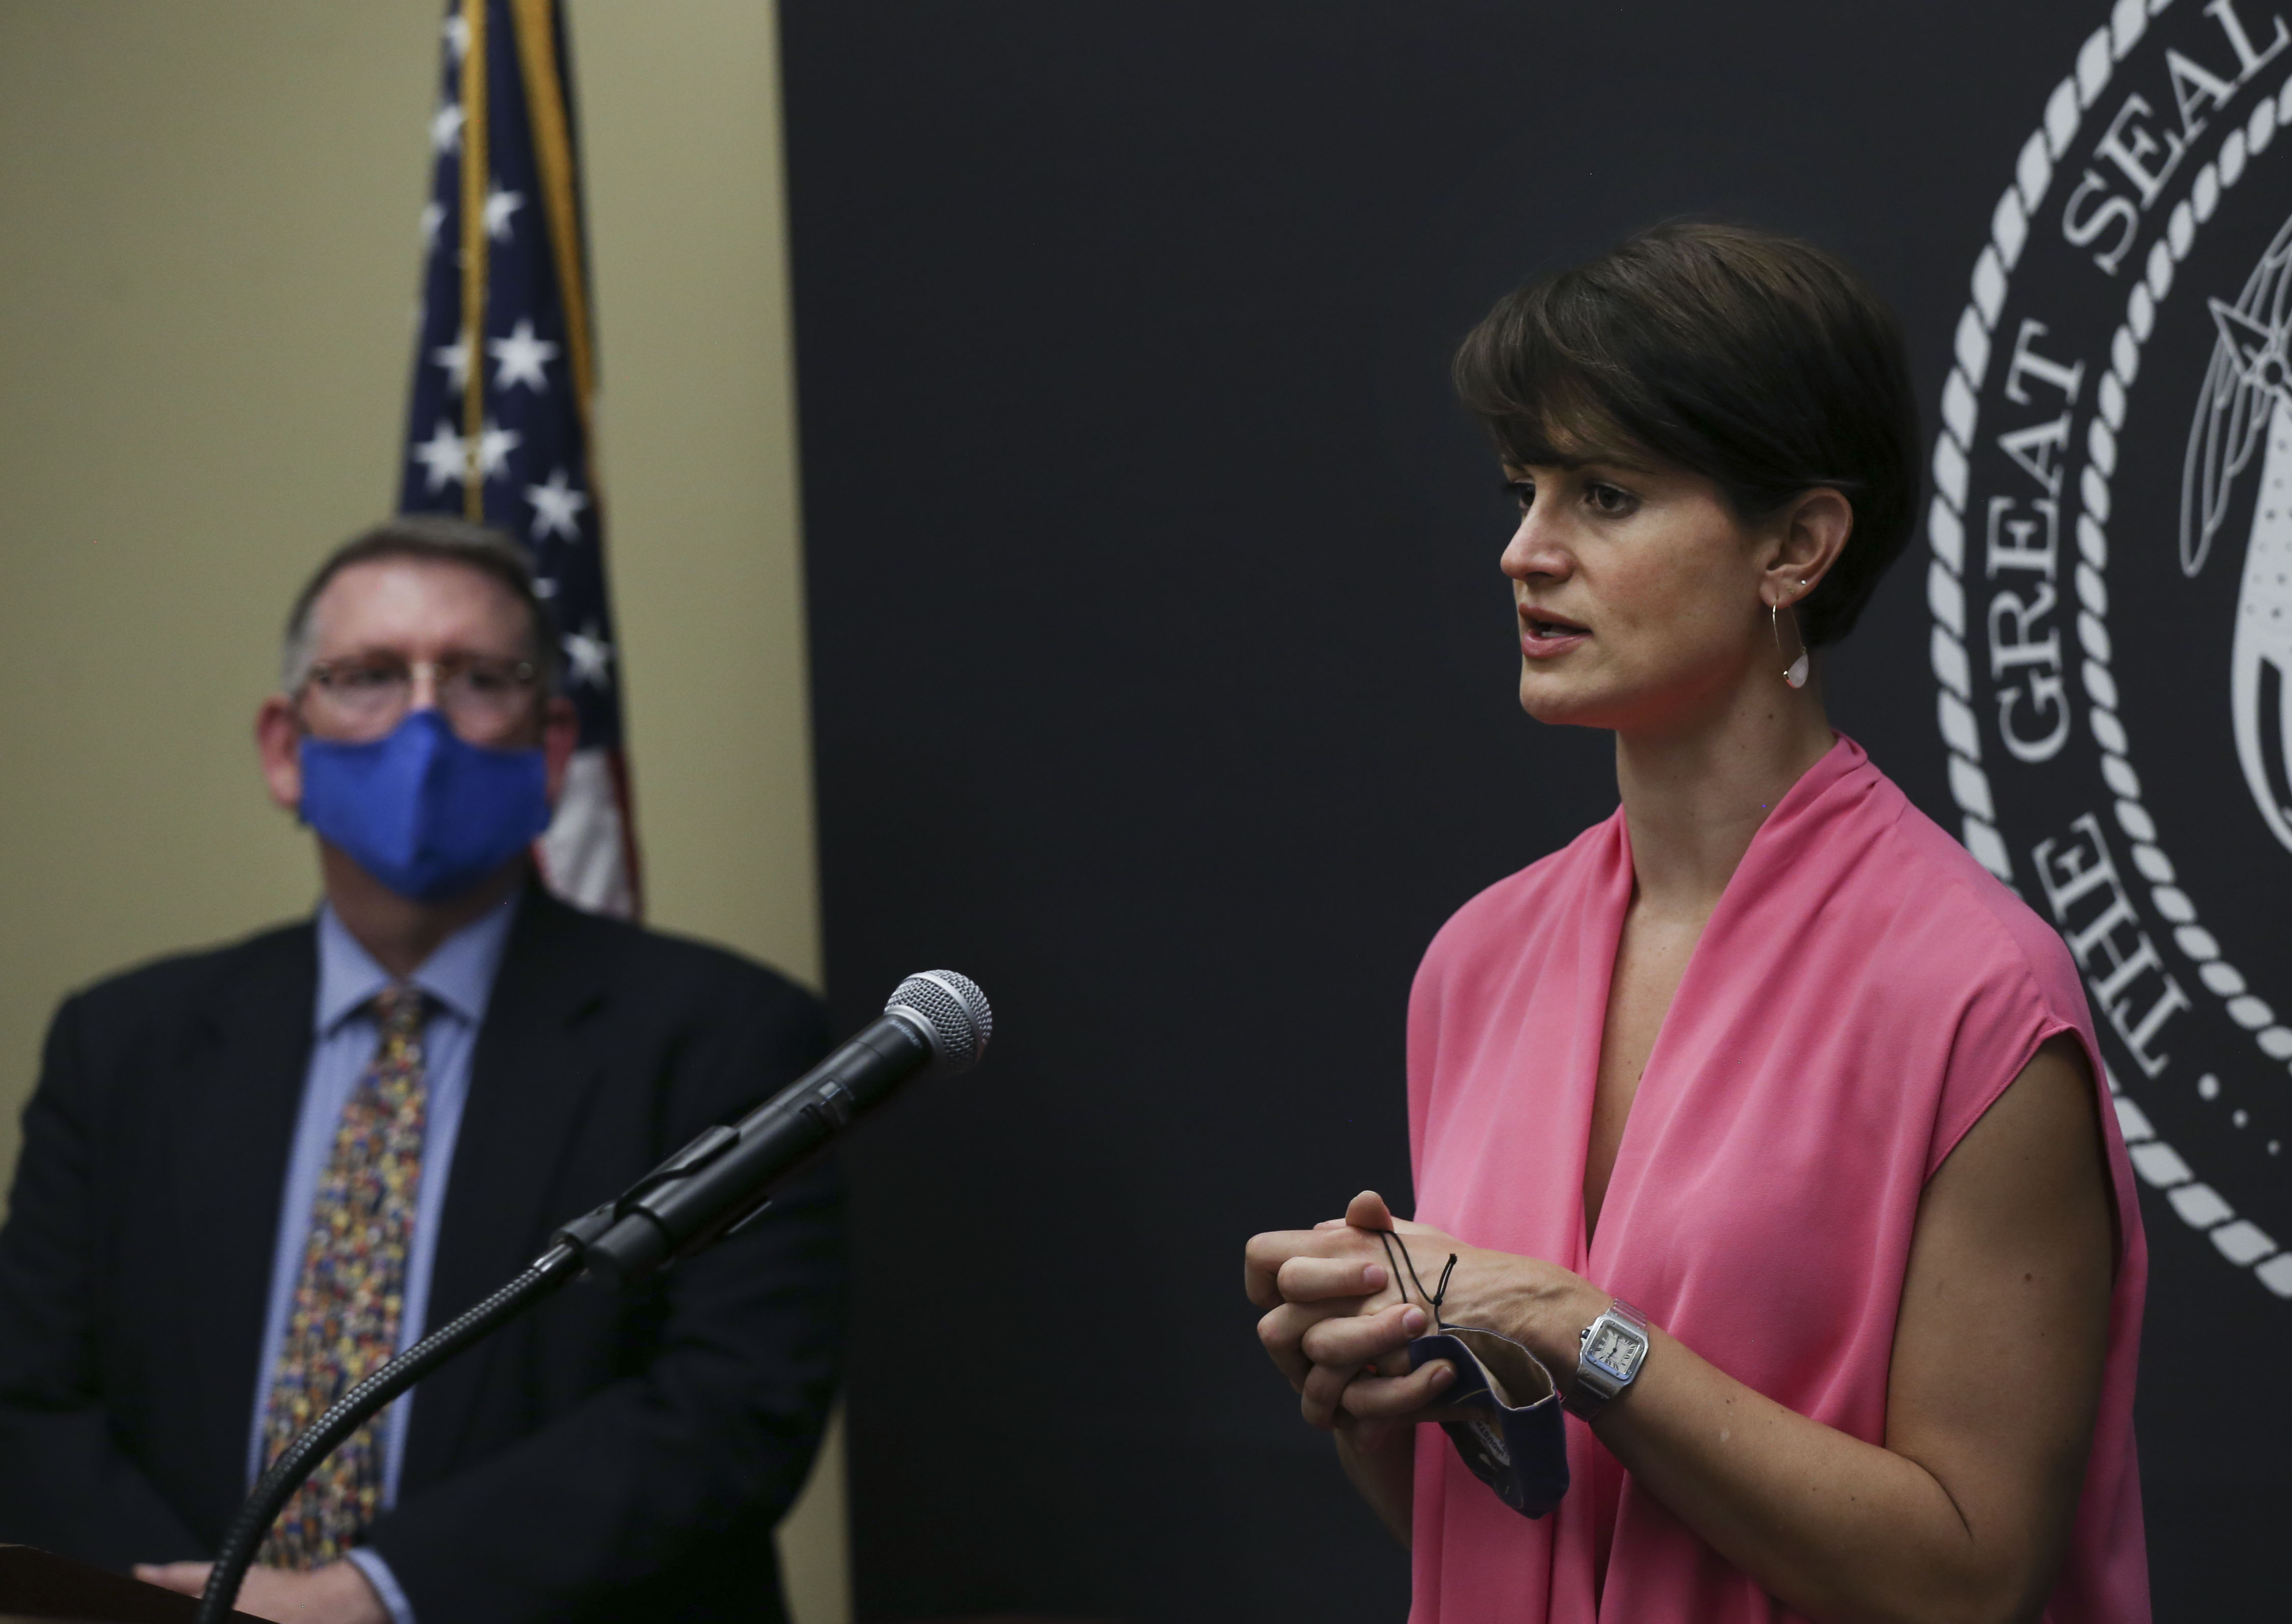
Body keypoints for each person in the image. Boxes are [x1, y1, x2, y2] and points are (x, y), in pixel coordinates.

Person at [1245, 223, 2148, 1621]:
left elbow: (1969, 1581)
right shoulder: (1476, 960)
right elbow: (1537, 1527)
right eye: (1523, 490)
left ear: (1796, 546)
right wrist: (1381, 1384)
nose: (1524, 551)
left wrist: (1576, 1330)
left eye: (1603, 495)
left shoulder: (1977, 995)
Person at [0, 516, 844, 1624]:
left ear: (550, 748)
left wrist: (375, 1596)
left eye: (479, 678)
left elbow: (732, 1404)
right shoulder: (122, 1044)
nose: (424, 721)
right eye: (368, 676)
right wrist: (193, 1609)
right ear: (285, 747)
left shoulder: (727, 1037)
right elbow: (30, 1396)